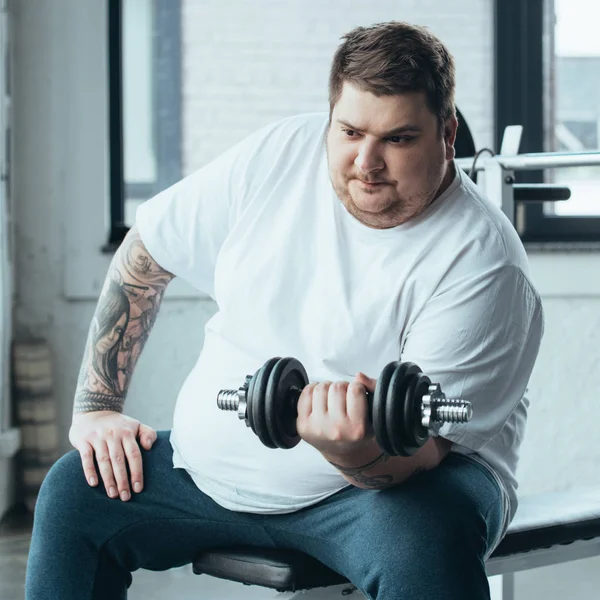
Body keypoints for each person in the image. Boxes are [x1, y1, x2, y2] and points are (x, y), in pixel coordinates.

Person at [25, 20, 544, 600]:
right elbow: (147, 250)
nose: (366, 163)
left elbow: (415, 457)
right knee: (76, 491)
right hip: (206, 478)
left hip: (380, 492)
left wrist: (346, 448)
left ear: (447, 134)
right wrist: (96, 407)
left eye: (398, 139)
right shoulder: (280, 156)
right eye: (349, 131)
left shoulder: (484, 262)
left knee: (425, 542)